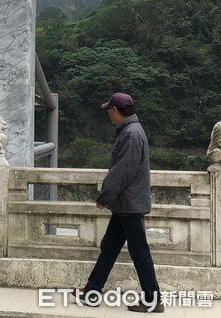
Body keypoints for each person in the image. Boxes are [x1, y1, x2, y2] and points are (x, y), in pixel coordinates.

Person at [73, 92, 164, 313]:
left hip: (129, 204)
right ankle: (92, 291)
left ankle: (153, 300)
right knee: (110, 247)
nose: (108, 115)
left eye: (109, 111)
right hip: (126, 203)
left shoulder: (131, 134)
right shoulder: (132, 130)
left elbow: (122, 171)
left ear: (115, 111)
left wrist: (105, 196)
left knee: (139, 251)